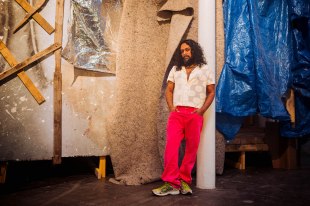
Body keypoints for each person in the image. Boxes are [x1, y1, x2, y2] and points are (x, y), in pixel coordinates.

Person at [152, 39, 215, 196]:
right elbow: (169, 90)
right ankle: (171, 183)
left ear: (194, 50)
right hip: (177, 114)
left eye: (187, 50)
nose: (185, 53)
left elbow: (211, 92)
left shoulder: (205, 69)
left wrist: (201, 111)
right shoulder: (176, 69)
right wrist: (171, 108)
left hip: (195, 115)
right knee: (171, 148)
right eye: (182, 51)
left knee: (191, 150)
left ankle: (185, 182)